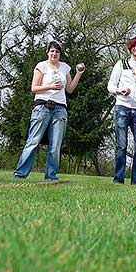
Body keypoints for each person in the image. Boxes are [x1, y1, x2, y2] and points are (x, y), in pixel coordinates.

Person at [13, 41, 85, 181]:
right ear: (48, 52)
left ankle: (51, 176)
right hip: (42, 107)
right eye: (52, 51)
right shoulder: (41, 66)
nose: (54, 54)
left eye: (57, 52)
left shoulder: (65, 68)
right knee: (33, 141)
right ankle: (20, 174)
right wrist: (51, 86)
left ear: (60, 54)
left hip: (60, 109)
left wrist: (78, 74)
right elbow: (34, 88)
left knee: (55, 145)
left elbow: (69, 89)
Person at [107, 36, 136, 186]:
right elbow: (111, 85)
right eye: (134, 46)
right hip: (122, 107)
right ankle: (118, 179)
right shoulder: (121, 63)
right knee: (121, 145)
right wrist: (120, 91)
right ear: (130, 48)